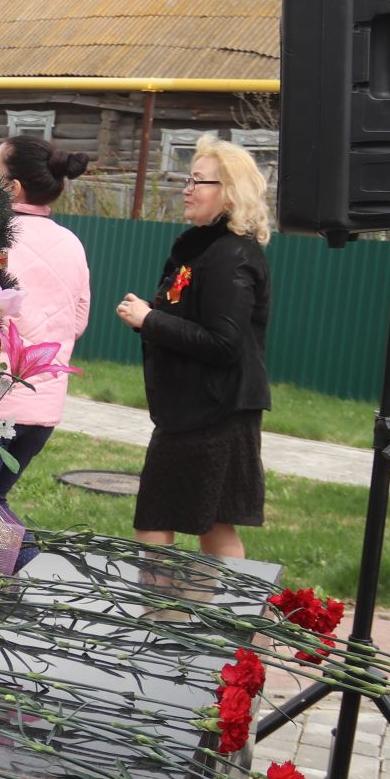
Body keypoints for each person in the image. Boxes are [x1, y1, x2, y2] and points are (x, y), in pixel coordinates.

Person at [116, 135, 273, 558]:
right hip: (201, 408)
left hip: (214, 413)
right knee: (211, 523)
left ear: (229, 194)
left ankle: (166, 616)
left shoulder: (230, 256)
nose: (187, 188)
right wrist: (152, 316)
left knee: (158, 519)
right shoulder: (206, 249)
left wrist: (151, 320)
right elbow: (194, 321)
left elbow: (224, 343)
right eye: (188, 178)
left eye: (199, 181)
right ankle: (215, 619)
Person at [0, 136, 91, 497]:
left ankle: (26, 554)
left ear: (12, 188)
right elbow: (78, 321)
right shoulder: (72, 243)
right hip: (44, 409)